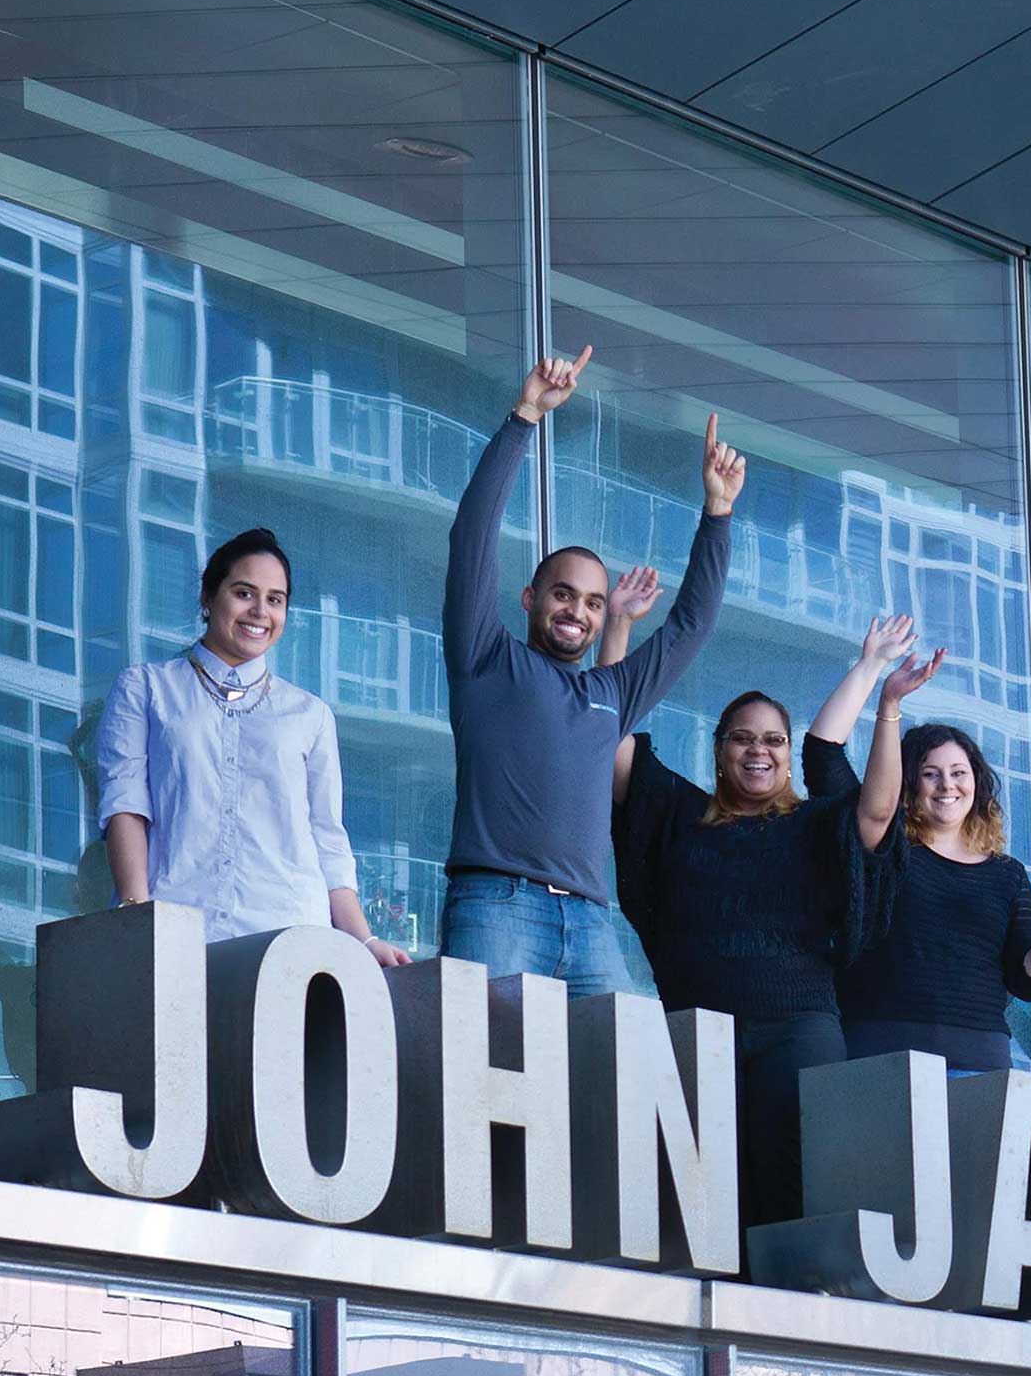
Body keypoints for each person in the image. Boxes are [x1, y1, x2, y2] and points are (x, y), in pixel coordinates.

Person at [440, 344, 745, 995]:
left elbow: (689, 627)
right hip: (497, 907)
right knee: (475, 1091)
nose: (577, 610)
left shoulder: (610, 693)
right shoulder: (485, 658)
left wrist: (717, 515)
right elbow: (473, 535)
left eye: (594, 601)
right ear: (529, 598)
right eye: (562, 593)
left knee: (621, 1092)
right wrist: (525, 416)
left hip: (590, 924)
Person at [609, 615, 926, 1236]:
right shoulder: (678, 814)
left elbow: (879, 810)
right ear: (721, 750)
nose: (760, 750)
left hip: (798, 1032)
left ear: (787, 755)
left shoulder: (815, 824)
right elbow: (612, 740)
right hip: (700, 1030)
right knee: (702, 1203)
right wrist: (617, 630)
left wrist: (886, 703)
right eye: (744, 738)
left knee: (794, 1189)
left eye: (775, 740)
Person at [93, 527, 407, 964]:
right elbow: (125, 804)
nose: (260, 611)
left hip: (291, 936)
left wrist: (364, 940)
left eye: (275, 599)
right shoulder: (146, 688)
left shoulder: (310, 715)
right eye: (244, 593)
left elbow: (328, 839)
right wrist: (136, 913)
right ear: (208, 597)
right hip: (180, 926)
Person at [792, 650, 1031, 1071]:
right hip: (881, 1054)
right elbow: (823, 755)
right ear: (907, 782)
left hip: (981, 1066)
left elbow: (1027, 983)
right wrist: (884, 694)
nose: (947, 785)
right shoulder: (880, 847)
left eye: (958, 772)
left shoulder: (1006, 874)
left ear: (977, 782)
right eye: (930, 773)